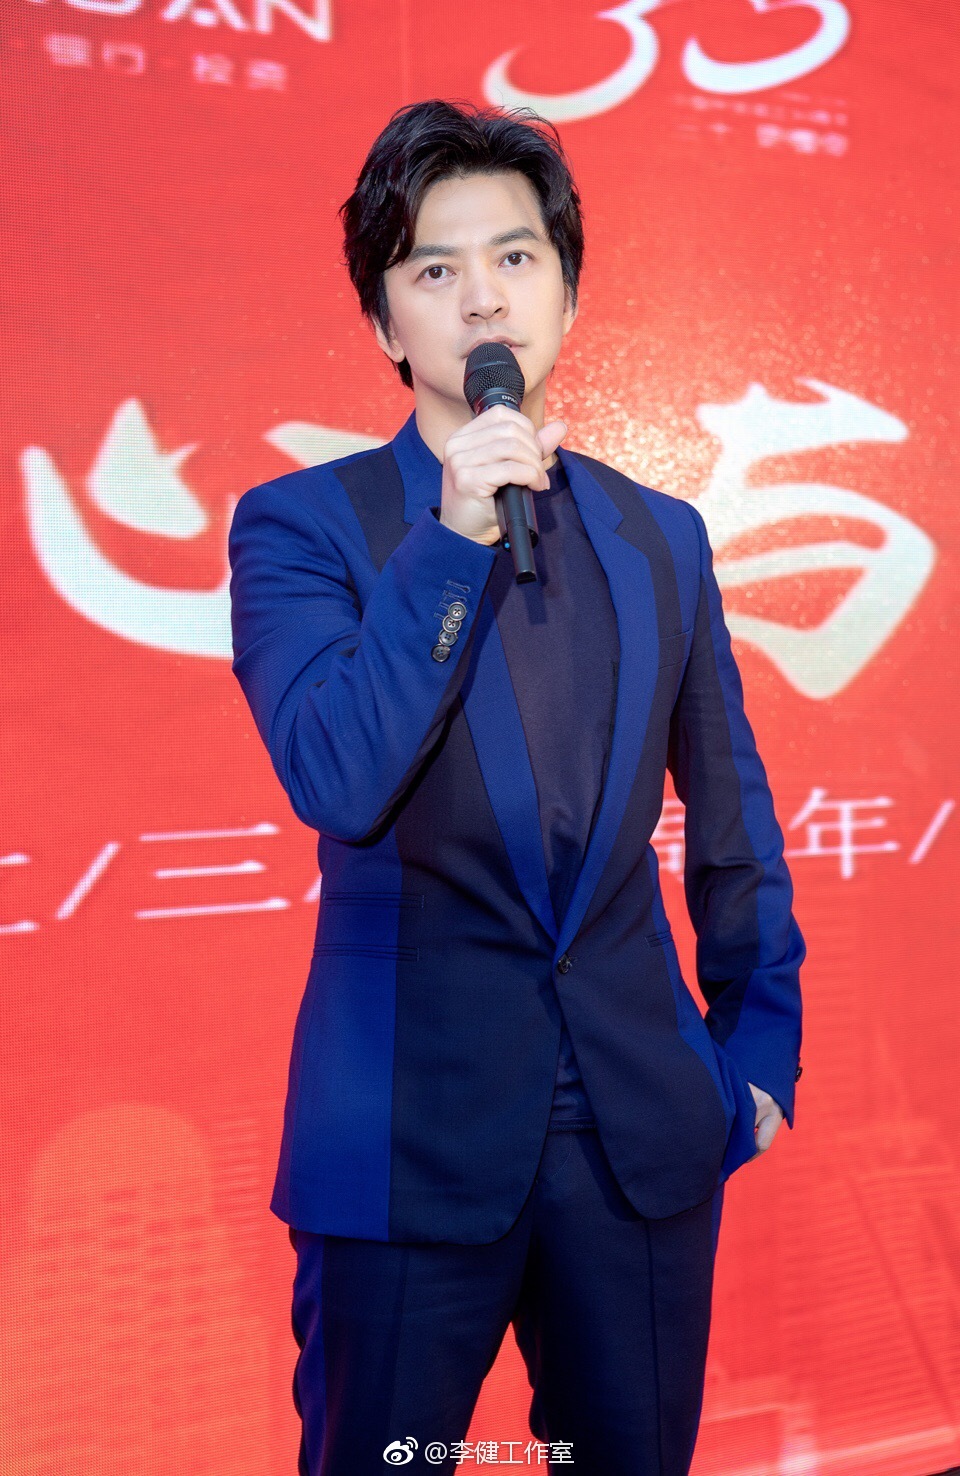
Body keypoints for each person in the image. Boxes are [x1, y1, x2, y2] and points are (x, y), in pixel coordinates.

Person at [228, 97, 805, 1476]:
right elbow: (339, 774)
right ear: (385, 323)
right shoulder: (301, 525)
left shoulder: (660, 537)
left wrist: (757, 1054)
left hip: (639, 1136)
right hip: (403, 1141)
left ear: (568, 292)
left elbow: (731, 813)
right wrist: (452, 537)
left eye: (516, 257)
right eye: (435, 269)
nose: (482, 297)